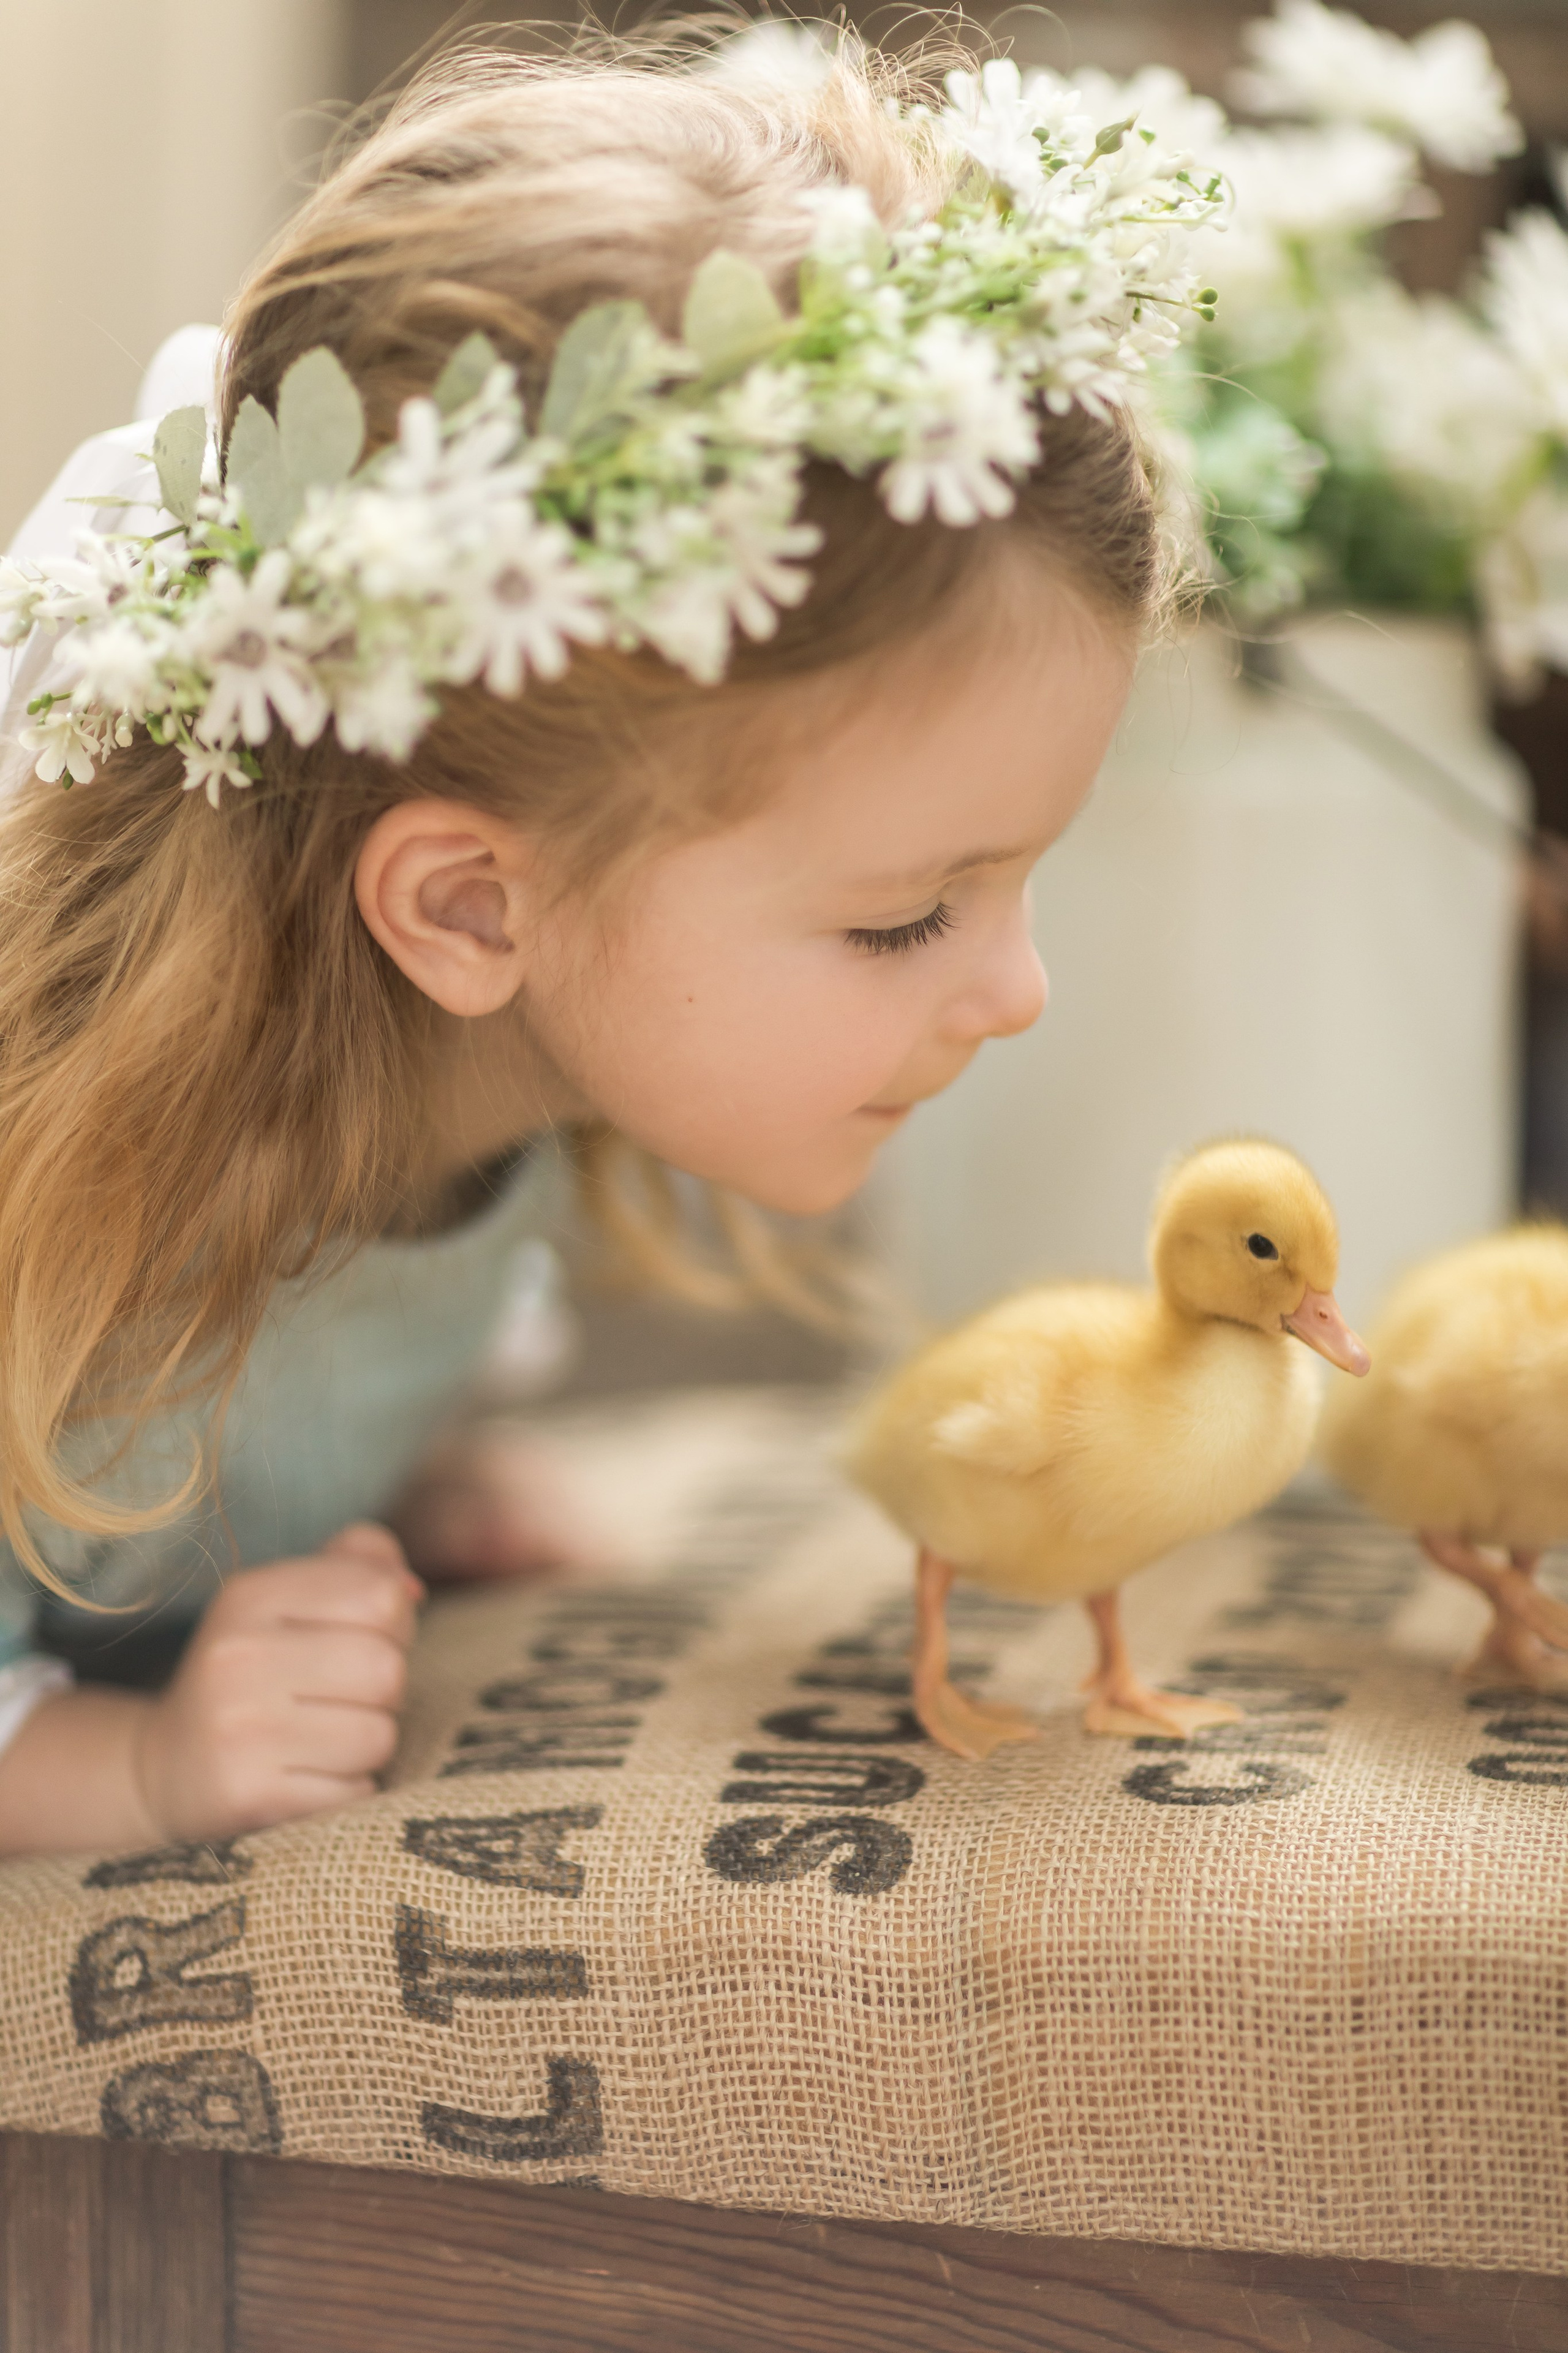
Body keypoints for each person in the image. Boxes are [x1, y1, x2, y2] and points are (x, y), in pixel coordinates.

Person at [0, 31, 1216, 1855]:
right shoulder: (70, 1198)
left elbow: (313, 1350)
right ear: (468, 907)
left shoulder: (507, 1065)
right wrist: (134, 1767)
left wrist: (373, 1481)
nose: (1012, 987)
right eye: (905, 915)